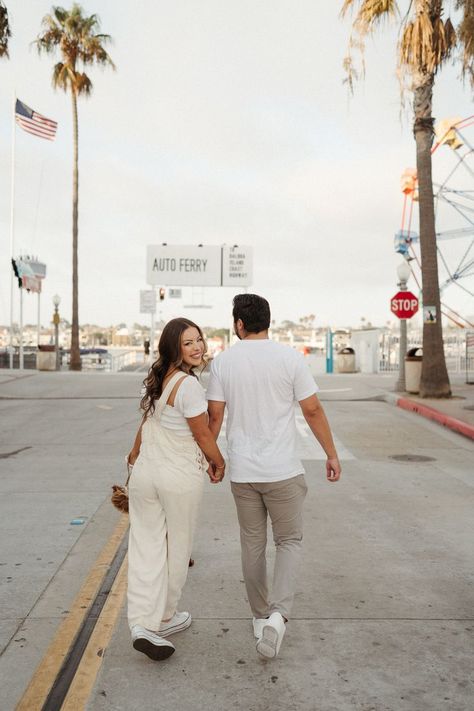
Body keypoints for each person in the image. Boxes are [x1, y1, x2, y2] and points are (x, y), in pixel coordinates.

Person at [207, 294, 341, 659]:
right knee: (289, 542)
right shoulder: (289, 359)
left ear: (238, 324)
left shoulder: (223, 363)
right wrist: (331, 453)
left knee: (252, 543)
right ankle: (278, 617)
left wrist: (213, 460)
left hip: (244, 472)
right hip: (283, 471)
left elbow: (214, 419)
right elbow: (312, 410)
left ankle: (258, 617)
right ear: (268, 321)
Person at [126, 317, 225, 661]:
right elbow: (202, 435)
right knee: (177, 547)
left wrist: (134, 456)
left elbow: (145, 423)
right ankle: (165, 618)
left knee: (145, 547)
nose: (197, 347)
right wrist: (219, 462)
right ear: (174, 348)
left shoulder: (154, 380)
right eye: (188, 342)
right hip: (177, 476)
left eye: (199, 339)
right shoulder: (189, 386)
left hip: (144, 474)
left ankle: (141, 622)